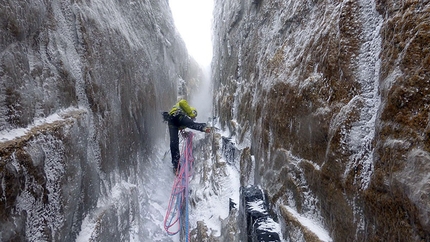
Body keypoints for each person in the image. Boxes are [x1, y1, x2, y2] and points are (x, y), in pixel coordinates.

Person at [164, 99, 211, 174]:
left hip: (172, 120)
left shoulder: (184, 116)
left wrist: (182, 131)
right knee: (192, 124)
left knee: (174, 143)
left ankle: (176, 166)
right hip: (178, 115)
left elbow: (181, 125)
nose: (192, 118)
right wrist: (191, 114)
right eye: (194, 116)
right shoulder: (186, 110)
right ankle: (204, 127)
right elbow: (182, 102)